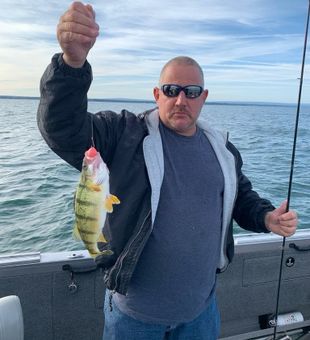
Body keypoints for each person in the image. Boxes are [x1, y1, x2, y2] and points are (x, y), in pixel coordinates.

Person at [37, 2, 298, 340]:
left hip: (201, 314)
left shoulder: (222, 148)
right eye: (172, 91)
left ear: (203, 98)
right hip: (134, 317)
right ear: (157, 94)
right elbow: (63, 130)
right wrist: (71, 64)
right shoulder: (124, 134)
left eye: (191, 92)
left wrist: (266, 218)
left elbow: (239, 197)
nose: (180, 100)